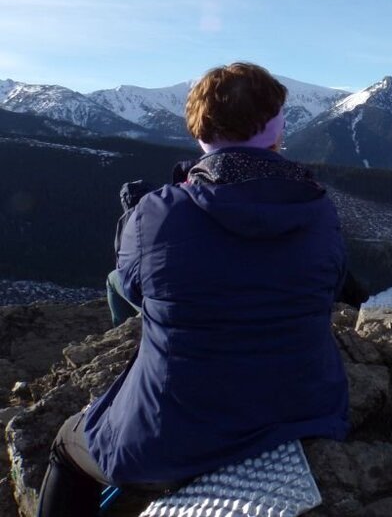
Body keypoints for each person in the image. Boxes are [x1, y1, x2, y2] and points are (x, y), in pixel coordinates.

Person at [35, 62, 351, 516]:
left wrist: (138, 218)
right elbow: (329, 284)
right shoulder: (319, 208)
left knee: (67, 448)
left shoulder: (157, 212)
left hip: (174, 438)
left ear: (201, 129)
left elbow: (133, 287)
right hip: (305, 410)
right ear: (276, 128)